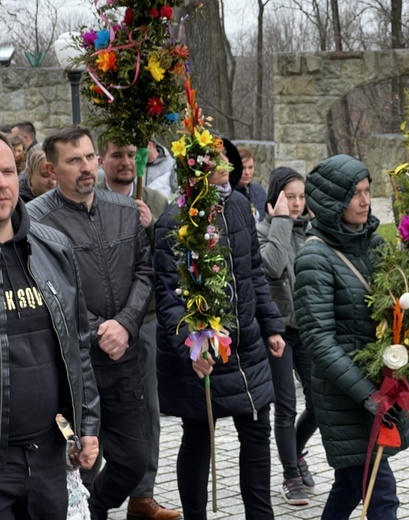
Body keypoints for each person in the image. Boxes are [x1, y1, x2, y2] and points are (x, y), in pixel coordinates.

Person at [154, 137, 285, 520]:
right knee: (198, 438)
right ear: (196, 168)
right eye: (214, 161)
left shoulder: (242, 205)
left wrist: (272, 324)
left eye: (226, 160)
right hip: (201, 351)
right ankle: (195, 515)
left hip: (246, 347)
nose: (225, 166)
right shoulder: (174, 221)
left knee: (257, 433)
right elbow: (168, 298)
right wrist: (190, 349)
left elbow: (253, 272)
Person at [26, 125, 153, 520]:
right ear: (52, 168)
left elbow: (146, 271)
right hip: (74, 366)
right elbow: (49, 288)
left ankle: (94, 507)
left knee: (135, 458)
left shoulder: (126, 210)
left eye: (89, 157)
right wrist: (101, 328)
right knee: (82, 458)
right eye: (73, 160)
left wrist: (126, 323)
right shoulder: (35, 220)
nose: (86, 167)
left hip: (124, 357)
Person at [293, 154, 409, 520]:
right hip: (344, 396)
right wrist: (368, 395)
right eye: (355, 194)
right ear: (333, 202)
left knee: (351, 484)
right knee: (380, 495)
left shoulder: (374, 245)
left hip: (378, 385)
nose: (365, 201)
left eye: (367, 191)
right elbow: (319, 339)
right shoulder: (314, 257)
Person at [0, 132, 100, 517]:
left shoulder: (53, 248)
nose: (2, 183)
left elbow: (77, 347)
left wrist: (85, 425)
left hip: (48, 457)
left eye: (8, 171)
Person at [97, 140, 180, 520]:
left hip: (143, 322)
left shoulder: (157, 203)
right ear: (103, 160)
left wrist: (151, 229)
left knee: (148, 409)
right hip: (98, 325)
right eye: (117, 155)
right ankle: (87, 493)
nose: (126, 162)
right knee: (92, 415)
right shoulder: (90, 199)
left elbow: (167, 264)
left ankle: (142, 496)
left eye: (132, 155)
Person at [256, 167, 317, 506]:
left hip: (307, 330)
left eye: (300, 197)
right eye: (289, 197)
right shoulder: (262, 231)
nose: (296, 204)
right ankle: (290, 475)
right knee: (286, 407)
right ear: (275, 198)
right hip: (277, 332)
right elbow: (273, 266)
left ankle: (295, 452)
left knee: (320, 404)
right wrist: (280, 220)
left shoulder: (310, 233)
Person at [236, 146, 267, 222]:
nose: (247, 172)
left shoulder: (260, 191)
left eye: (250, 167)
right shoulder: (228, 196)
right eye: (243, 168)